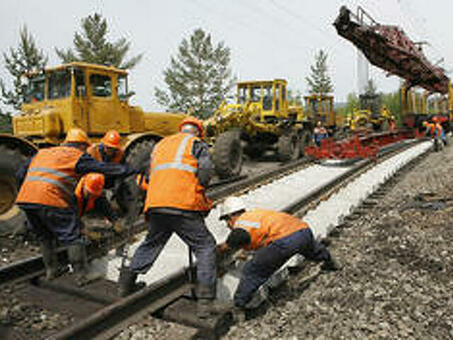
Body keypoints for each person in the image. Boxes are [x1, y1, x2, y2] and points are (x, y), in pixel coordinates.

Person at [119, 116, 217, 318]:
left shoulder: (161, 145)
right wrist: (200, 189)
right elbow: (205, 171)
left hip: (156, 205)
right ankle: (205, 301)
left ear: (181, 129)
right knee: (205, 246)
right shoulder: (196, 144)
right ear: (198, 131)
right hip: (183, 205)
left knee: (152, 242)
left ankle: (125, 286)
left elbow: (146, 175)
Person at [16, 128, 137, 284]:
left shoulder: (43, 152)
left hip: (26, 198)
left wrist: (26, 192)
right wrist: (130, 170)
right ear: (81, 145)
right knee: (73, 238)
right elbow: (103, 169)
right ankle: (81, 276)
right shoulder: (77, 156)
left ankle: (52, 271)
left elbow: (20, 174)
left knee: (44, 236)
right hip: (50, 197)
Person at [217, 196, 340, 311]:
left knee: (252, 270)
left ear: (231, 216)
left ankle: (239, 305)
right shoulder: (255, 215)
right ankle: (330, 262)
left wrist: (220, 249)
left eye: (226, 221)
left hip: (284, 241)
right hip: (303, 231)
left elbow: (238, 237)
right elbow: (261, 238)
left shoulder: (241, 223)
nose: (228, 226)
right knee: (314, 251)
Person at [74, 173, 123, 239]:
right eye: (89, 193)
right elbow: (70, 217)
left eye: (93, 194)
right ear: (84, 185)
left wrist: (115, 220)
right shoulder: (71, 194)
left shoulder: (95, 192)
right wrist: (87, 232)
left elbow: (104, 204)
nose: (91, 196)